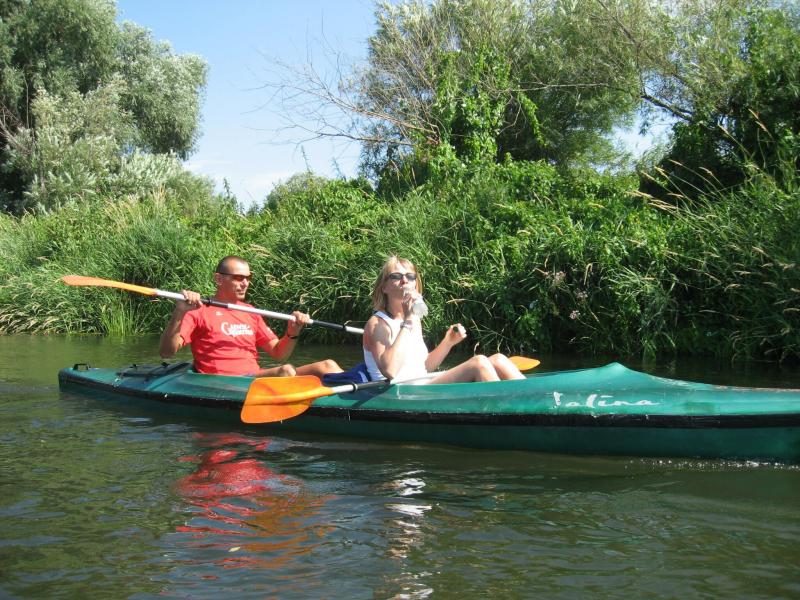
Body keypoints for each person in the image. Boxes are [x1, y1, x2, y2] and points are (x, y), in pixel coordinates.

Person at [159, 255, 342, 378]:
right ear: (219, 279)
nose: (245, 283)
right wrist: (179, 312)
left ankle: (356, 403)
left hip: (252, 378)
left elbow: (279, 353)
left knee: (327, 365)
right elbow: (166, 352)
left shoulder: (250, 312)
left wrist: (293, 333)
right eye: (239, 278)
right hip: (223, 382)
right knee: (285, 371)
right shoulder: (197, 310)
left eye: (248, 278)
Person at [362, 256, 525, 383]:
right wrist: (407, 322)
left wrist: (448, 343)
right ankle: (506, 409)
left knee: (499, 359)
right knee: (479, 363)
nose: (405, 280)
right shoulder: (377, 324)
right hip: (397, 393)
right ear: (384, 287)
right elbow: (390, 371)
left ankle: (533, 401)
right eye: (396, 276)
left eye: (410, 276)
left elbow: (423, 367)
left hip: (421, 385)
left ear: (415, 285)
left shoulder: (414, 319)